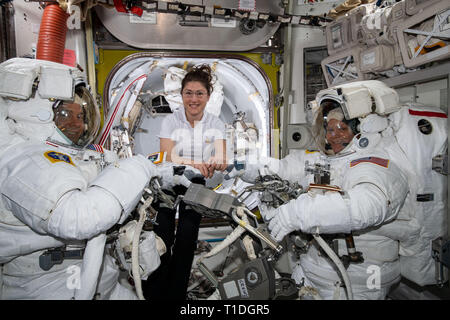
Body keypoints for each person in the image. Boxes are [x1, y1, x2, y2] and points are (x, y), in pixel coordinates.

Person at [0, 58, 166, 299]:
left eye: (81, 116)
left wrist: (167, 172)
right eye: (65, 114)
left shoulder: (81, 157)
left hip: (99, 276)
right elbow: (78, 217)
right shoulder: (21, 161)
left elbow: (112, 172)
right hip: (48, 284)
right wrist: (141, 167)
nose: (76, 125)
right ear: (34, 114)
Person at [239, 80, 413, 299]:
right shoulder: (325, 160)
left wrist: (298, 213)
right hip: (312, 273)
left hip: (359, 282)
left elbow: (366, 206)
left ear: (364, 128)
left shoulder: (378, 165)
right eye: (329, 129)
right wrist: (238, 166)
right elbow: (280, 169)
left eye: (341, 128)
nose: (333, 136)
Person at [142, 65, 227, 300]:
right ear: (181, 95)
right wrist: (196, 162)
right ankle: (155, 292)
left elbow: (222, 156)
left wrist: (215, 162)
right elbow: (167, 155)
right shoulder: (171, 121)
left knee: (188, 236)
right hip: (169, 178)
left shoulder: (216, 124)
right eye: (189, 93)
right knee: (163, 236)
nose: (194, 98)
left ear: (208, 97)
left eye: (199, 93)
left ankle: (176, 295)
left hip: (196, 182)